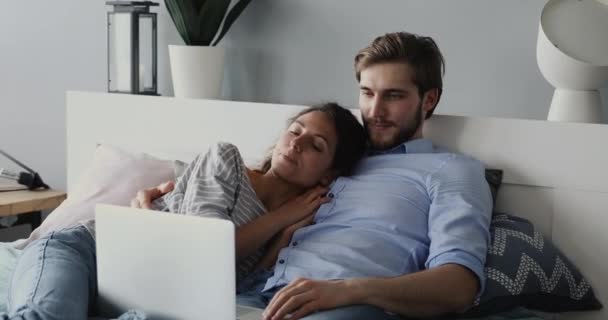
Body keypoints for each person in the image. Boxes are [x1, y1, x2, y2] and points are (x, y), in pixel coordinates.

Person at [138, 31, 493, 320]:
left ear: (428, 100)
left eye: (394, 96)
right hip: (255, 292)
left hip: (344, 304)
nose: (374, 111)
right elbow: (237, 195)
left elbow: (458, 286)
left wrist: (351, 289)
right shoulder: (328, 160)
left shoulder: (451, 170)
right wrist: (162, 208)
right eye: (367, 93)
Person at [0, 103, 368, 320]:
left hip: (145, 291)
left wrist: (283, 235)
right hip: (85, 251)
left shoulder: (300, 221)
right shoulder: (227, 160)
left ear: (330, 172)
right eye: (295, 130)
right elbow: (203, 248)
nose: (297, 143)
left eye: (316, 145)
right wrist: (280, 217)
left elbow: (228, 287)